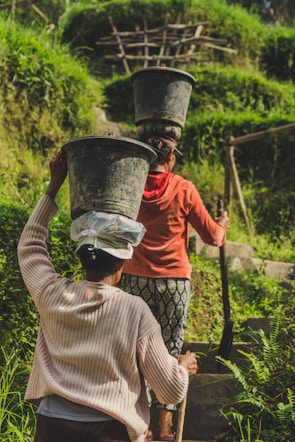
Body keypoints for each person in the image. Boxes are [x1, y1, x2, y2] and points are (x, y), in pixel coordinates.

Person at [17, 149, 198, 442]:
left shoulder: (51, 293)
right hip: (109, 431)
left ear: (82, 256)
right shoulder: (134, 310)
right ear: (123, 263)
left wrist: (54, 187)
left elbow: (29, 245)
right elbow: (170, 390)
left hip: (53, 426)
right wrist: (181, 368)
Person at [122, 136, 230, 441]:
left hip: (135, 279)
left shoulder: (131, 185)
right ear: (170, 159)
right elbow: (212, 236)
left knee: (137, 353)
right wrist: (222, 224)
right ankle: (166, 430)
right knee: (168, 356)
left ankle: (139, 429)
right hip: (174, 284)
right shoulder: (184, 188)